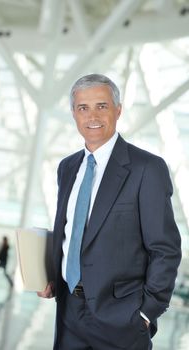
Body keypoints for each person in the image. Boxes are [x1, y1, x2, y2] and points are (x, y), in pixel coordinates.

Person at [37, 74, 181, 350]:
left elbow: (165, 248)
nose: (92, 116)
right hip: (68, 313)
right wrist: (52, 275)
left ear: (118, 110)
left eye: (101, 106)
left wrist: (146, 313)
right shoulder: (67, 168)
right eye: (83, 108)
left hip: (122, 320)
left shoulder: (146, 169)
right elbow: (71, 231)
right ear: (74, 114)